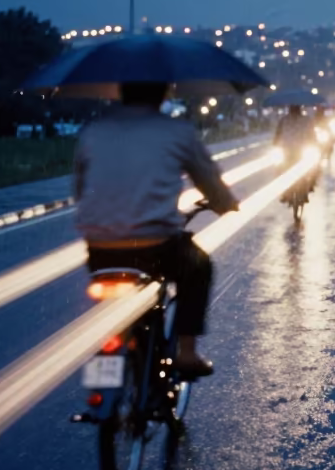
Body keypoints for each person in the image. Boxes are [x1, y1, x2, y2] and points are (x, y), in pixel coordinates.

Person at [74, 81, 240, 378]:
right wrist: (225, 203)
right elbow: (209, 181)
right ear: (164, 93)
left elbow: (80, 188)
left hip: (100, 246)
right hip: (155, 245)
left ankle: (104, 376)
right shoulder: (177, 132)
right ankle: (187, 354)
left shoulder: (94, 132)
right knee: (199, 268)